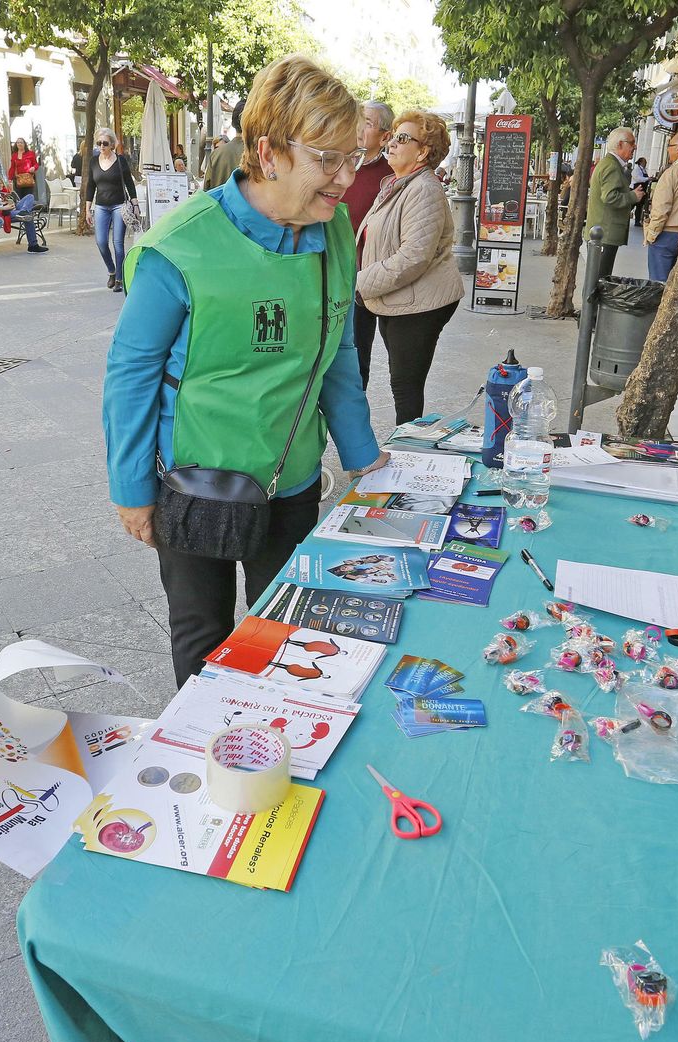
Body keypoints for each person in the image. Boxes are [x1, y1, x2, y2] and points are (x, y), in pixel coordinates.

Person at [103, 55, 388, 684]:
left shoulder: (334, 229)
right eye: (328, 159)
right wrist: (131, 490)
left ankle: (271, 751)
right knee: (204, 637)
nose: (345, 178)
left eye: (354, 157)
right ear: (270, 152)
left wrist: (362, 454)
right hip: (196, 482)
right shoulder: (181, 246)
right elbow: (131, 372)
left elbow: (335, 348)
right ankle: (209, 764)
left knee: (281, 634)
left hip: (290, 477)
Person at [355, 111, 464, 425]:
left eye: (402, 138)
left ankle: (411, 457)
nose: (391, 142)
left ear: (423, 151)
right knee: (402, 385)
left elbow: (413, 258)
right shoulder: (397, 184)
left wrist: (357, 283)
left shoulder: (424, 190)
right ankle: (409, 452)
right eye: (392, 135)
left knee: (405, 388)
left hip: (420, 303)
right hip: (398, 300)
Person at [343, 100, 394, 388]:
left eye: (369, 123)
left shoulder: (390, 176)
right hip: (325, 266)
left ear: (385, 136)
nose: (361, 127)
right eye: (359, 119)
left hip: (364, 277)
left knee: (356, 354)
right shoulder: (338, 162)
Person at [585, 126, 644, 281]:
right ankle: (592, 305)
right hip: (604, 234)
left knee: (598, 278)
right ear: (620, 144)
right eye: (631, 143)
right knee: (598, 280)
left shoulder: (611, 164)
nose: (635, 147)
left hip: (603, 233)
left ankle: (593, 304)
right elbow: (610, 197)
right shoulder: (611, 166)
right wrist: (633, 196)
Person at [82, 129, 136, 291]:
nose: (101, 146)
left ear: (112, 144)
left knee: (118, 243)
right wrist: (87, 209)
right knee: (101, 242)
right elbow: (90, 185)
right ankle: (111, 270)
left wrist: (136, 204)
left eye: (105, 143)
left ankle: (119, 278)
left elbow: (129, 183)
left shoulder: (120, 161)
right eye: (99, 143)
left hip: (119, 205)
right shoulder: (93, 161)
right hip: (101, 206)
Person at [644, 132, 678, 282]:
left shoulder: (672, 173)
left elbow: (661, 208)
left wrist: (652, 234)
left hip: (667, 234)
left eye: (670, 146)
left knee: (658, 283)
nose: (668, 149)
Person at [204, 95, 247, 190]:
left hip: (219, 203)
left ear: (233, 123)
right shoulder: (259, 154)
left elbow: (206, 189)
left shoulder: (216, 154)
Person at [630, 156, 650, 226]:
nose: (646, 163)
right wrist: (647, 179)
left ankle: (637, 221)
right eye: (645, 162)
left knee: (639, 206)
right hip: (635, 189)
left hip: (642, 189)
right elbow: (638, 179)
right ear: (641, 162)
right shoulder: (636, 169)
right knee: (631, 205)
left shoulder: (643, 170)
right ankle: (623, 217)